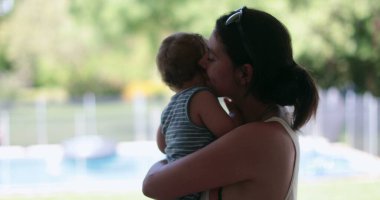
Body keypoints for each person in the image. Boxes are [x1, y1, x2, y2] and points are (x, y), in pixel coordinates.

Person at [143, 6, 319, 200]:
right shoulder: (266, 127)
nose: (201, 63)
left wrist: (168, 163)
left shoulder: (260, 138)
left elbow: (153, 184)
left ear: (244, 73)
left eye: (211, 57)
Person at [155, 32, 241, 200]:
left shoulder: (169, 109)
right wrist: (235, 114)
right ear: (203, 67)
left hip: (173, 190)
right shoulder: (201, 97)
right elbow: (230, 134)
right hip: (190, 191)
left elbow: (162, 145)